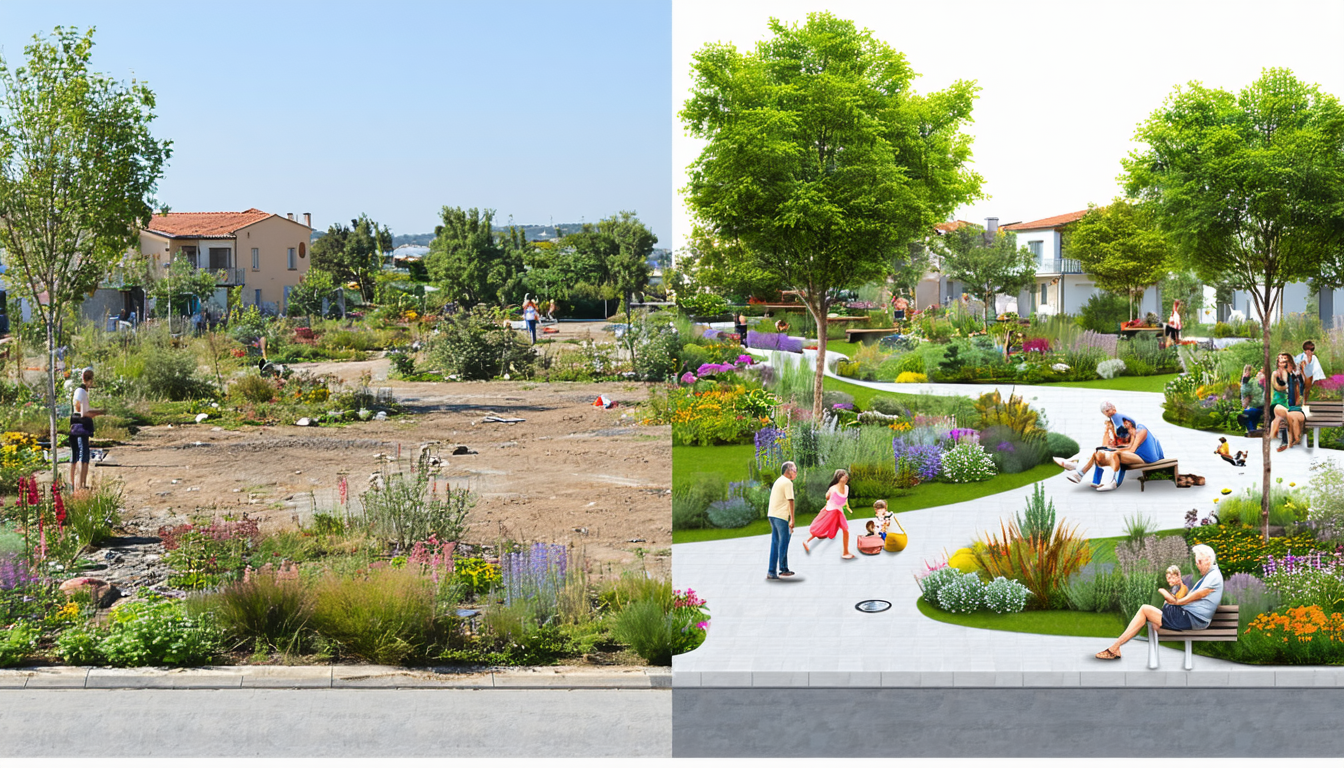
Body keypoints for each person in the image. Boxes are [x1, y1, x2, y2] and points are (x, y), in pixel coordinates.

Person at [1096, 544, 1223, 660]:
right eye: (1196, 562)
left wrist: (1176, 602)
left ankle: (1114, 648)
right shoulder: (1211, 575)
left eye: (1199, 562)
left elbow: (1198, 595)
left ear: (1207, 560)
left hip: (1192, 620)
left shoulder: (1213, 576)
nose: (1197, 565)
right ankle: (1117, 647)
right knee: (1151, 615)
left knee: (1145, 610)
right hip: (1191, 618)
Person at [1094, 416, 1163, 492]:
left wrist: (1118, 451)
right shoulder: (1134, 434)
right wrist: (1116, 449)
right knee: (1112, 454)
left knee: (1117, 455)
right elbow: (1130, 447)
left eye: (1125, 423)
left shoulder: (1141, 430)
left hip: (1146, 459)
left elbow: (1132, 450)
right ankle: (1103, 481)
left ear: (1129, 423)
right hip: (1139, 455)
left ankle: (1114, 483)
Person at [803, 469, 854, 559]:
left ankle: (845, 552)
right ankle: (806, 541)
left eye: (846, 476)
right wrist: (828, 505)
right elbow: (827, 497)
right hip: (830, 511)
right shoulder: (833, 489)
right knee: (820, 528)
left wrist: (847, 507)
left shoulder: (846, 488)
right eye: (844, 475)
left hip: (839, 512)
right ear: (838, 477)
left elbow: (844, 499)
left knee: (845, 529)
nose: (846, 477)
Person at [69, 368, 103, 491]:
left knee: (75, 456)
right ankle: (81, 484)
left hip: (74, 425)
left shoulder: (78, 391)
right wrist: (98, 412)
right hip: (81, 427)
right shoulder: (82, 392)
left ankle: (73, 484)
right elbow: (83, 412)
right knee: (83, 456)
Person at [1268, 352, 1307, 451]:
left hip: (1286, 403)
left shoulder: (1290, 375)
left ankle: (1283, 440)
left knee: (1280, 418)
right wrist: (1287, 387)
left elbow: (1298, 389)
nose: (1284, 362)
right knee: (1286, 414)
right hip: (1277, 402)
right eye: (1281, 360)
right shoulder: (1275, 373)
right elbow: (1277, 387)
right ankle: (1286, 441)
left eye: (1285, 361)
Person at [766, 462, 797, 580]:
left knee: (775, 543)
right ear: (788, 471)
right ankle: (783, 569)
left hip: (772, 515)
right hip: (780, 516)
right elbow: (791, 500)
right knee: (783, 543)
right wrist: (792, 519)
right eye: (794, 470)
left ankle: (771, 572)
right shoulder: (787, 483)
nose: (796, 472)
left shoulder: (779, 481)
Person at [1237, 364, 1266, 435]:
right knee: (1250, 417)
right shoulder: (1252, 381)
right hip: (1257, 406)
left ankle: (1252, 431)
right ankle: (1252, 431)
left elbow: (1249, 393)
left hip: (1258, 406)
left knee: (1248, 414)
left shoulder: (1258, 381)